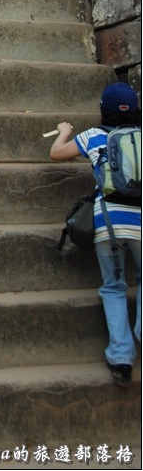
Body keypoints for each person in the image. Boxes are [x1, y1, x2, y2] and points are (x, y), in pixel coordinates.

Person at [50, 82, 141, 387]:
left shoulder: (94, 136)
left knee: (114, 286)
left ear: (104, 110)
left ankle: (121, 359)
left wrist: (64, 130)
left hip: (108, 223)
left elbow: (57, 154)